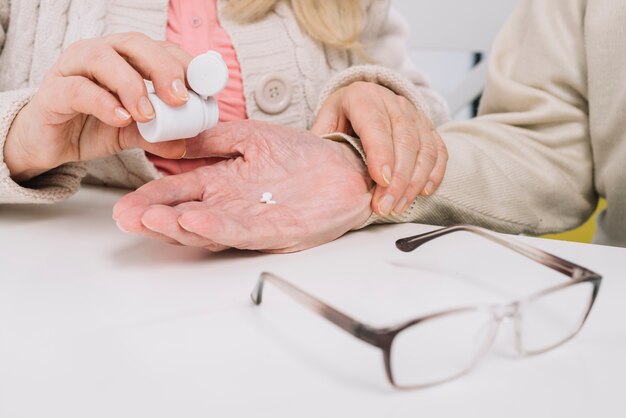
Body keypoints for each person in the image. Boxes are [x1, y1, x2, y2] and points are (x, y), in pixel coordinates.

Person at [114, 0, 626, 251]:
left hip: (326, 263)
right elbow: (544, 143)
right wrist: (355, 164)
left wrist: (376, 102)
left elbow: (419, 112)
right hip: (105, 257)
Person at [0, 0, 448, 231]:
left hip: (316, 263)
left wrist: (377, 99)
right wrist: (20, 139)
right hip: (75, 265)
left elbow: (428, 121)